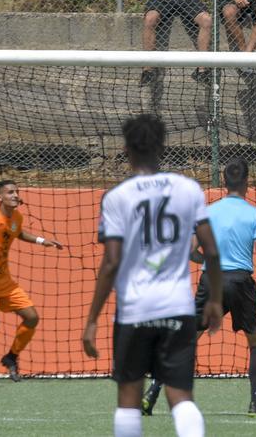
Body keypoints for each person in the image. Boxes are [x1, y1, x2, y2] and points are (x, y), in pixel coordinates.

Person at [81, 114, 223, 437]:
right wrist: (215, 300)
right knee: (181, 397)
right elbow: (212, 252)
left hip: (134, 310)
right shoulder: (188, 189)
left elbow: (111, 263)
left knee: (129, 400)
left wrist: (92, 319)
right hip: (178, 308)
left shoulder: (116, 197)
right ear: (162, 147)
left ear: (126, 149)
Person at [141, 159, 256, 418]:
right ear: (247, 182)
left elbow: (190, 250)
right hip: (240, 282)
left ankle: (151, 394)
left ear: (224, 182)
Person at [0, 180, 65, 384]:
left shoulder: (17, 217)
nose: (15, 195)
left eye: (17, 192)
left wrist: (42, 241)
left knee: (31, 317)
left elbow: (17, 232)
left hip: (4, 282)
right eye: (10, 192)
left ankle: (11, 357)